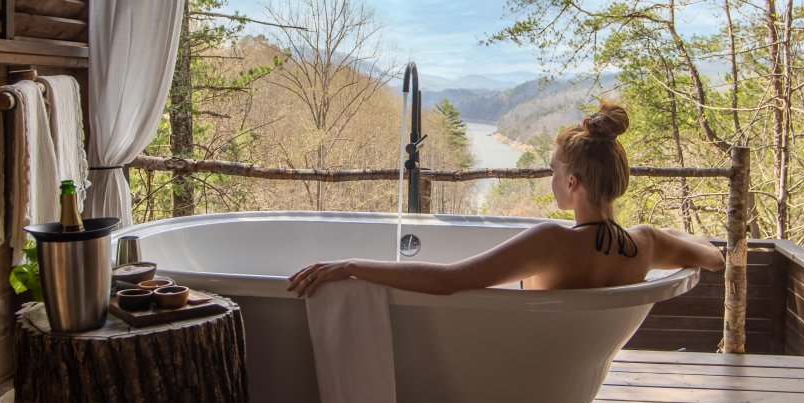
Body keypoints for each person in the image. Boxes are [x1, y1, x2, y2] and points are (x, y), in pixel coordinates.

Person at [287, 101, 724, 297]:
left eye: (553, 171)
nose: (549, 180)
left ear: (572, 183)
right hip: (578, 377)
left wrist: (349, 265)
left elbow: (448, 281)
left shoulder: (551, 242)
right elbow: (714, 258)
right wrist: (668, 233)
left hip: (526, 372)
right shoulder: (644, 243)